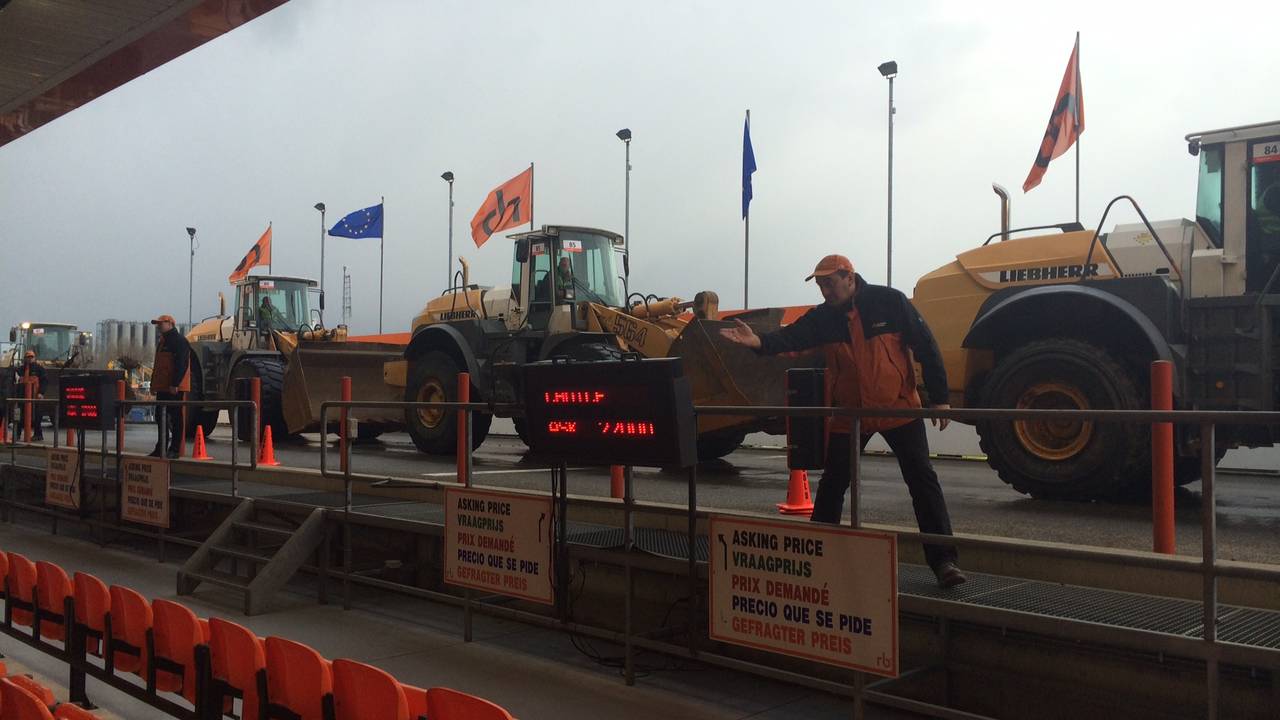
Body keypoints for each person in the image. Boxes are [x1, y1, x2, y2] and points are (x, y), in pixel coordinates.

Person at [720, 254, 966, 588]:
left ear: (849, 277)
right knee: (834, 484)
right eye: (820, 285)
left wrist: (940, 398)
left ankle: (944, 562)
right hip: (851, 414)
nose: (825, 291)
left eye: (829, 283)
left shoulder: (889, 302)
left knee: (922, 481)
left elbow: (925, 344)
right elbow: (791, 338)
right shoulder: (823, 318)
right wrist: (758, 342)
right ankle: (818, 558)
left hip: (898, 409)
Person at [149, 314, 191, 458]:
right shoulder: (163, 342)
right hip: (163, 386)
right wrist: (153, 385)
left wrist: (175, 383)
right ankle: (161, 448)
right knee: (160, 416)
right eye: (158, 324)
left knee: (175, 417)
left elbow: (182, 363)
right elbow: (158, 366)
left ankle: (174, 449)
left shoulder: (179, 341)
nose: (158, 326)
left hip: (174, 388)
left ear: (170, 324)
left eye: (161, 323)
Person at [15, 350, 46, 441]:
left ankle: (38, 434)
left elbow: (44, 381)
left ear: (34, 358)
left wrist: (41, 393)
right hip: (22, 396)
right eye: (28, 357)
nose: (30, 359)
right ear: (25, 358)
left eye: (31, 357)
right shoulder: (20, 369)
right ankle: (17, 434)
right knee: (19, 415)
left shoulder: (40, 369)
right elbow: (16, 380)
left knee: (37, 416)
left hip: (35, 396)